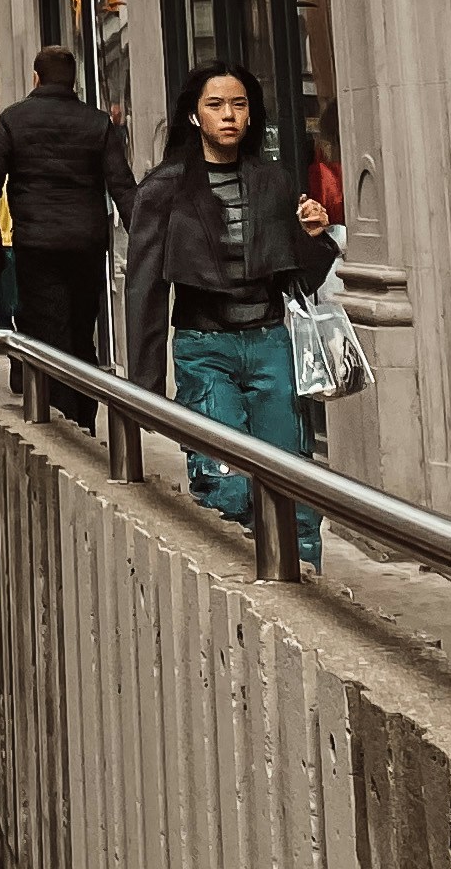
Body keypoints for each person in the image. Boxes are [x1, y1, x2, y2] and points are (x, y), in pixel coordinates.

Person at [125, 60, 337, 570]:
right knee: (224, 483)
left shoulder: (273, 181)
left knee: (294, 479)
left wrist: (313, 237)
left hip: (270, 343)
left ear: (251, 114)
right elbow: (145, 290)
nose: (228, 115)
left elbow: (298, 279)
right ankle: (235, 580)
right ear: (195, 116)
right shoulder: (165, 188)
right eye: (215, 105)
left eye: (238, 104)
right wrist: (146, 389)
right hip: (204, 347)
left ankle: (304, 578)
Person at [0, 44, 136, 429]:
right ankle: (83, 414)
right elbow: (122, 186)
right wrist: (145, 240)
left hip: (35, 241)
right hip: (86, 243)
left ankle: (60, 412)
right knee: (82, 328)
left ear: (36, 78)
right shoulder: (98, 123)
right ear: (74, 80)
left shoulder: (14, 120)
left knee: (45, 327)